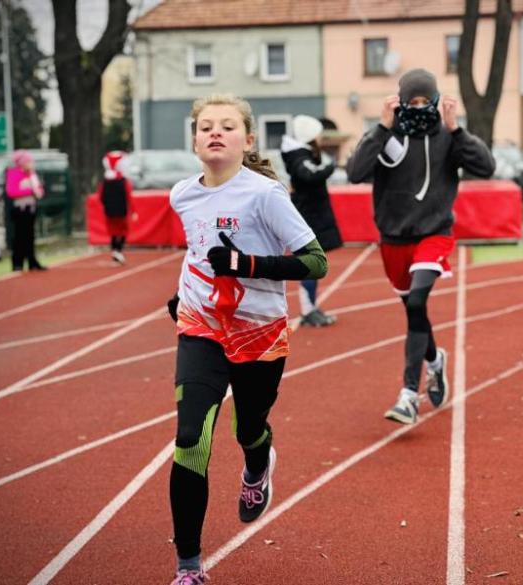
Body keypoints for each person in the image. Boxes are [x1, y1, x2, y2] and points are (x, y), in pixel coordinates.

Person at [165, 93, 328, 584]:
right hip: (201, 327)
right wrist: (181, 297)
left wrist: (246, 265)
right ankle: (189, 568)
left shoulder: (265, 195)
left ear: (247, 141)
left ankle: (259, 463)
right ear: (195, 140)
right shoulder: (182, 194)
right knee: (191, 436)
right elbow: (198, 249)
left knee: (249, 427)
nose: (216, 133)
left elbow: (316, 261)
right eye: (206, 126)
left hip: (259, 334)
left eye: (228, 126)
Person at [346, 68, 495, 424]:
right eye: (409, 102)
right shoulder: (386, 133)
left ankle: (409, 395)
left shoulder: (447, 136)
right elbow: (354, 172)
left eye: (423, 102)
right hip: (394, 238)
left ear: (434, 100)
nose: (417, 108)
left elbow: (486, 167)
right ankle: (435, 361)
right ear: (399, 102)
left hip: (434, 233)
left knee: (417, 301)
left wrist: (457, 128)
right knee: (414, 311)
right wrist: (381, 127)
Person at [281, 114, 342, 327]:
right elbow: (309, 175)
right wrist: (331, 166)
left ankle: (311, 307)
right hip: (307, 216)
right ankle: (308, 310)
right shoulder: (299, 157)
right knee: (311, 263)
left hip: (311, 214)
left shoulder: (301, 154)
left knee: (315, 262)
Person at [5, 150, 46, 272]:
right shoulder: (14, 173)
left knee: (30, 236)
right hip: (19, 209)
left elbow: (39, 189)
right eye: (29, 161)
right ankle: (17, 263)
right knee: (19, 237)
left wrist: (37, 192)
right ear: (23, 163)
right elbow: (11, 191)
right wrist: (29, 191)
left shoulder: (32, 175)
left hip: (30, 208)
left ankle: (32, 261)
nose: (32, 164)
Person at [96, 150, 133, 264]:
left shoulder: (105, 182)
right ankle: (119, 250)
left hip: (109, 210)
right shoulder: (124, 181)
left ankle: (114, 249)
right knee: (122, 230)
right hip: (121, 209)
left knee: (113, 231)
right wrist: (133, 211)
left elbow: (100, 196)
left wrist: (106, 204)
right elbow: (129, 195)